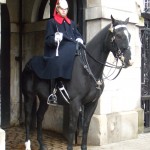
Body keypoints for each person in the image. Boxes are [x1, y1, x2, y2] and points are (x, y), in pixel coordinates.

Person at [43, 0, 84, 103]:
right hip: (58, 49)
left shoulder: (71, 23)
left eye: (66, 9)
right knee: (63, 56)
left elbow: (77, 34)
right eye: (62, 9)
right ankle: (56, 88)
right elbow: (48, 40)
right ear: (57, 8)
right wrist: (55, 39)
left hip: (72, 47)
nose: (64, 11)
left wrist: (79, 39)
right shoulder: (51, 22)